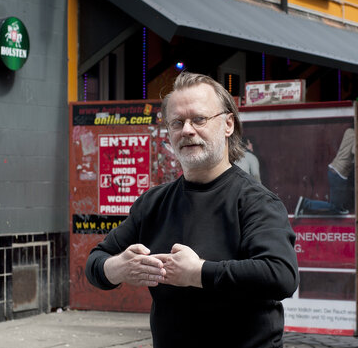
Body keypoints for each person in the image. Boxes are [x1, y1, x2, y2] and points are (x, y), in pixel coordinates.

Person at [84, 72, 299, 348]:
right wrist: (118, 268)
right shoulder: (153, 203)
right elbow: (96, 262)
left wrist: (198, 272)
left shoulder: (255, 201)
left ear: (228, 125)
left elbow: (281, 275)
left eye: (199, 119)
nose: (187, 130)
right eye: (177, 122)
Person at [295, 126, 358, 216]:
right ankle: (305, 203)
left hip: (334, 168)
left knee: (338, 205)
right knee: (334, 207)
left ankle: (339, 207)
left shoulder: (349, 131)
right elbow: (355, 151)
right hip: (340, 173)